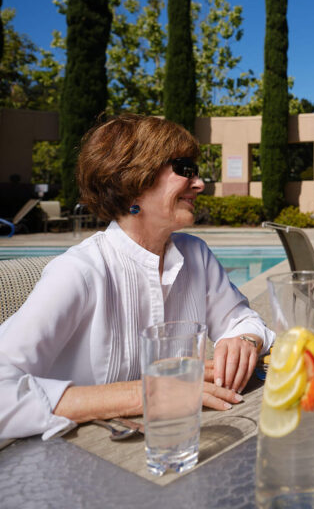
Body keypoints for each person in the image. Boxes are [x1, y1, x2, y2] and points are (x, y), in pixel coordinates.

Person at [0, 115, 275, 441]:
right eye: (185, 169)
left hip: (181, 444)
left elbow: (242, 320)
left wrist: (244, 340)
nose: (200, 184)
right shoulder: (80, 272)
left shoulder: (195, 255)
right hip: (79, 465)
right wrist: (144, 392)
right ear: (135, 179)